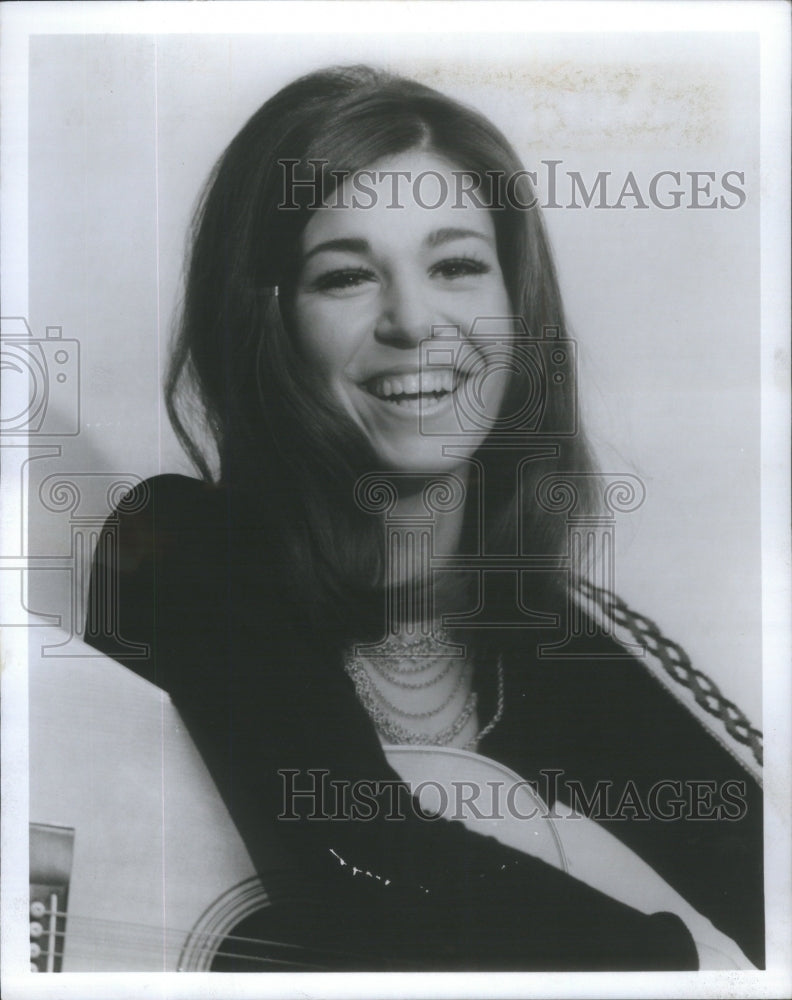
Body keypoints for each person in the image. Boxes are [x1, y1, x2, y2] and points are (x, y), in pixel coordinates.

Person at [85, 64, 763, 971]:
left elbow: (762, 876)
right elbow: (364, 853)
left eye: (455, 265)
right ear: (265, 321)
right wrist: (672, 966)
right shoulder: (176, 548)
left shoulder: (544, 644)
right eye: (345, 276)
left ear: (516, 311)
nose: (415, 320)